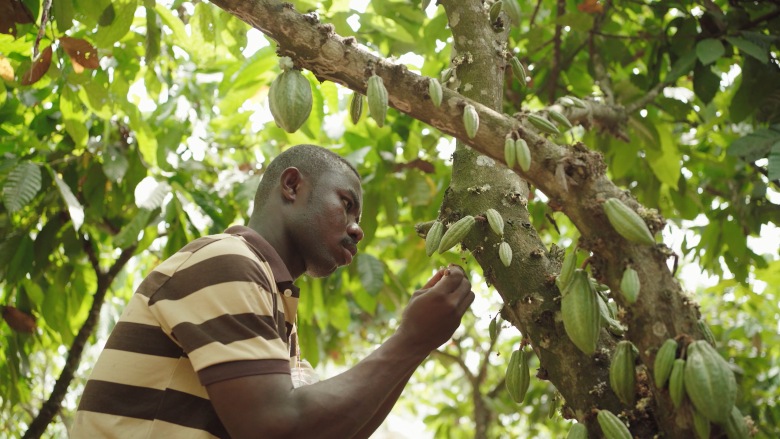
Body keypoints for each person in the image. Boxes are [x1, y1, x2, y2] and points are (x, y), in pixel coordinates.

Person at [71, 144, 474, 438]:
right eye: (346, 204)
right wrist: (410, 339)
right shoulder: (226, 260)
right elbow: (275, 427)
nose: (357, 229)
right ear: (292, 185)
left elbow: (329, 431)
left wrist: (419, 344)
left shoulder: (276, 306)